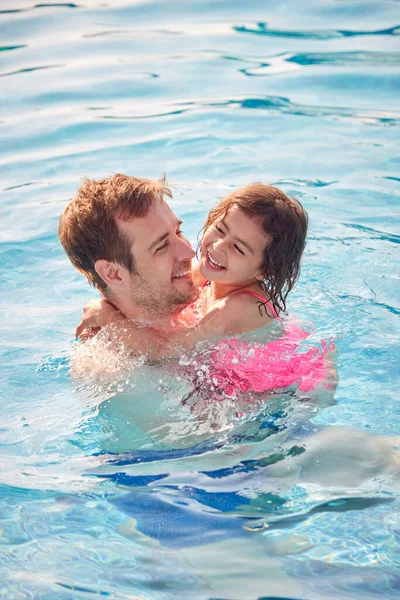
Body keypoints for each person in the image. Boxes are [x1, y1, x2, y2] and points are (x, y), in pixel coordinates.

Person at [76, 181, 334, 397]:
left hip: (278, 388)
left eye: (239, 248)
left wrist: (110, 318)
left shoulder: (240, 306)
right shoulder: (210, 272)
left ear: (264, 270)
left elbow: (167, 351)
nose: (219, 247)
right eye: (220, 229)